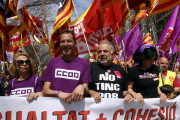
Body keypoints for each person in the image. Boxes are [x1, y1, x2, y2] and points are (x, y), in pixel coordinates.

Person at [42, 29, 91, 104]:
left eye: (69, 41)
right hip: (54, 109)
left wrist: (82, 87)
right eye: (62, 41)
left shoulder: (84, 63)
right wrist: (59, 93)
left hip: (76, 109)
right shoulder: (52, 62)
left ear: (75, 44)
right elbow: (45, 90)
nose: (65, 44)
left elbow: (86, 91)